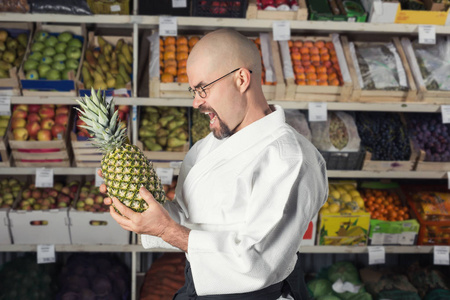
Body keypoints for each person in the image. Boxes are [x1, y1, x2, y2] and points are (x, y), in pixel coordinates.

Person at [100, 28, 328, 299]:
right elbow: (188, 219)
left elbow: (257, 263)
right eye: (193, 90)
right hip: (198, 286)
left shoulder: (290, 159)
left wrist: (166, 229)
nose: (196, 102)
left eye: (202, 89)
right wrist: (142, 207)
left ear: (241, 79)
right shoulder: (207, 147)